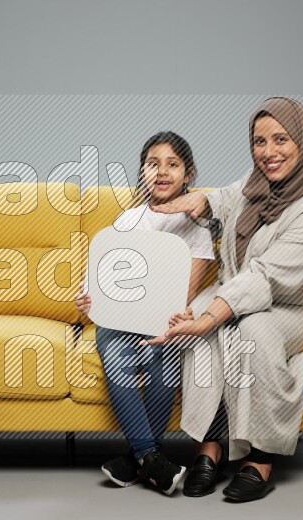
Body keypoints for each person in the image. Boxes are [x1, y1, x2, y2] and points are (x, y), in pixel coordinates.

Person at [146, 97, 303, 502]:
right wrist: (198, 201)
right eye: (259, 141)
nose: (268, 152)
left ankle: (260, 457)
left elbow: (265, 277)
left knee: (251, 329)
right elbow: (227, 198)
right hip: (241, 290)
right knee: (201, 319)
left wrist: (211, 317)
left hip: (294, 308)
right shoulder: (258, 182)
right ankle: (210, 444)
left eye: (281, 139)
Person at [75, 131, 214, 496]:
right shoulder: (128, 220)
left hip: (163, 318)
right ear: (142, 173)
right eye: (153, 164)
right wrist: (90, 303)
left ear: (189, 173)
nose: (162, 172)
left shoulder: (196, 226)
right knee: (110, 341)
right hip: (121, 319)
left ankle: (139, 458)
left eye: (173, 164)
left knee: (160, 350)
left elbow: (187, 293)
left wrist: (159, 321)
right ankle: (151, 457)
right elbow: (106, 281)